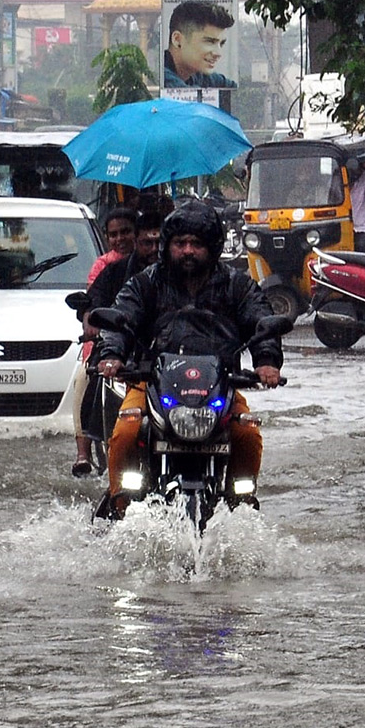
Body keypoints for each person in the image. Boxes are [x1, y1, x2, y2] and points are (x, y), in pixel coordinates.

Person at [95, 200, 283, 511]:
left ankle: (242, 507)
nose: (187, 251)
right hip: (152, 383)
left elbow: (261, 321)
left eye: (196, 243)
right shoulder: (145, 283)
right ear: (167, 246)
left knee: (247, 433)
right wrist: (112, 354)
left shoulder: (238, 285)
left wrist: (266, 361)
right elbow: (121, 318)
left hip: (219, 387)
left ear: (212, 246)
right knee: (126, 430)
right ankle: (121, 504)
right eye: (180, 243)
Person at [70, 207, 142, 476]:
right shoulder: (106, 268)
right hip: (107, 346)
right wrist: (92, 325)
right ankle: (83, 453)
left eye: (126, 232)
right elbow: (91, 304)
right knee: (84, 381)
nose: (120, 238)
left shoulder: (160, 270)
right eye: (114, 234)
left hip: (148, 347)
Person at [163, 1, 238, 89]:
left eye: (221, 43)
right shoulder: (162, 77)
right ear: (177, 40)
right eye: (209, 42)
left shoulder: (200, 75)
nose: (218, 53)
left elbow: (237, 93)